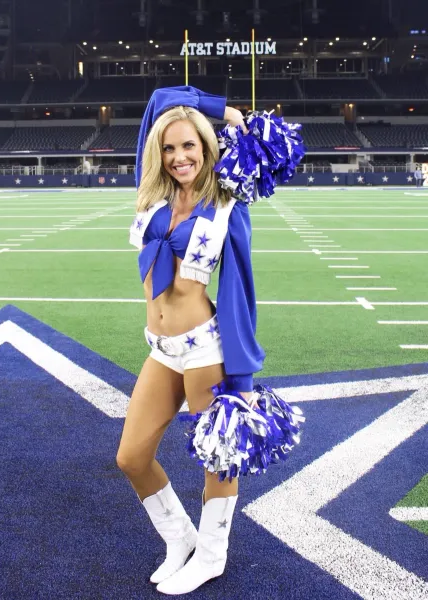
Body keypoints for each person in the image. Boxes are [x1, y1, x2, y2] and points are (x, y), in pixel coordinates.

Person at [116, 86, 266, 595]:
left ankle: (212, 555)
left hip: (205, 349)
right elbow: (158, 97)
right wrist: (223, 108)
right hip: (161, 349)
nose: (180, 157)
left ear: (207, 149)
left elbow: (241, 290)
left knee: (216, 458)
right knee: (132, 457)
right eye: (170, 148)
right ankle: (179, 538)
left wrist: (241, 379)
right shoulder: (151, 190)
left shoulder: (226, 205)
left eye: (190, 147)